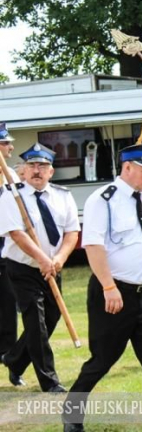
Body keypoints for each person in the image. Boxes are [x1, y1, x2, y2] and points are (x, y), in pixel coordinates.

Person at [63, 142, 142, 432]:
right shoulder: (103, 199)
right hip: (115, 293)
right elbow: (92, 245)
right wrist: (108, 286)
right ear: (127, 167)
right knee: (102, 360)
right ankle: (72, 413)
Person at [0, 143, 79, 392]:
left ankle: (14, 360)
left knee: (52, 317)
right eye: (31, 166)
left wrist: (58, 260)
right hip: (22, 267)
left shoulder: (63, 196)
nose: (37, 170)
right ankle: (49, 381)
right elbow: (17, 234)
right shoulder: (12, 195)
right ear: (22, 171)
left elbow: (71, 233)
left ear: (51, 171)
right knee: (36, 322)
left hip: (53, 268)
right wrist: (42, 259)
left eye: (42, 166)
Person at [0, 123, 20, 361]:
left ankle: (7, 350)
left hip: (5, 243)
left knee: (8, 299)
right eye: (5, 143)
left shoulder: (11, 175)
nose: (10, 147)